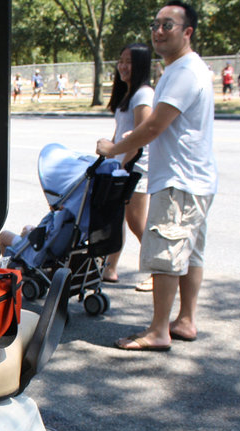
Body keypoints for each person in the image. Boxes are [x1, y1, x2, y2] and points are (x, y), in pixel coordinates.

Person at [96, 1, 217, 351]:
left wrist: (113, 149)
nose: (159, 31)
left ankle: (159, 330)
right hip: (197, 179)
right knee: (190, 254)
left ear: (187, 32)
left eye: (169, 25)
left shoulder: (183, 72)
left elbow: (152, 127)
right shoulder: (188, 68)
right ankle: (186, 320)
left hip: (179, 180)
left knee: (166, 255)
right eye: (156, 24)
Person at [101, 43, 154, 291]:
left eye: (129, 62)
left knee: (136, 222)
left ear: (141, 65)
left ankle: (157, 270)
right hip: (121, 166)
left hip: (136, 169)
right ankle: (110, 267)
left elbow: (140, 136)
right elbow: (121, 133)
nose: (123, 66)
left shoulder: (143, 94)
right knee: (117, 218)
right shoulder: (129, 93)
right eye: (121, 61)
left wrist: (123, 165)